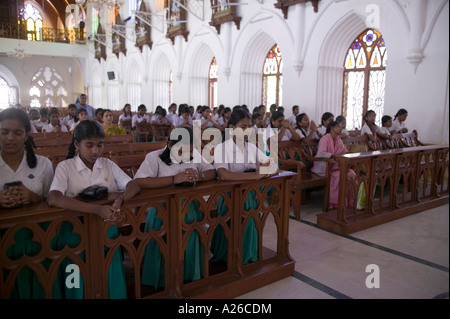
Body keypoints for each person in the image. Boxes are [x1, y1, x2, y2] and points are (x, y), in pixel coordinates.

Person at [47, 120, 141, 299]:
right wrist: (96, 210)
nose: (96, 151)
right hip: (74, 234)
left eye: (100, 145)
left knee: (108, 272)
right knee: (74, 276)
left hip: (106, 229)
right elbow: (54, 197)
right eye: (89, 145)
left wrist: (119, 201)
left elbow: (133, 185)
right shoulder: (66, 167)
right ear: (76, 144)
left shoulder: (106, 164)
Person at [134, 126, 216, 289]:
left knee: (191, 238)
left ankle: (190, 275)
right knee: (163, 244)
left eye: (190, 152)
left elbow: (211, 171)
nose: (187, 156)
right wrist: (173, 179)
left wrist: (199, 176)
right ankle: (161, 279)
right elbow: (140, 181)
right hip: (161, 212)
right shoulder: (154, 157)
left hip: (189, 208)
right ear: (170, 145)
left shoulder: (194, 155)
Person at [211, 109, 278, 265]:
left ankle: (248, 254)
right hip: (230, 197)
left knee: (250, 225)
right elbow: (224, 175)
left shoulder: (252, 148)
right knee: (232, 230)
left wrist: (265, 169)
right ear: (232, 128)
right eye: (243, 126)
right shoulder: (223, 147)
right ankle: (231, 257)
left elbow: (273, 166)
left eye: (250, 126)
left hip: (251, 197)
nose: (247, 130)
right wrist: (256, 175)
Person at [0, 108, 54, 298]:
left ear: (26, 135)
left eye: (17, 132)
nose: (10, 138)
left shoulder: (43, 164)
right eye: (4, 132)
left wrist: (33, 197)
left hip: (37, 237)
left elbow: (53, 200)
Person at [311, 121, 356, 209]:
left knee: (351, 173)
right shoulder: (325, 138)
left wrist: (349, 154)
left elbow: (344, 151)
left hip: (336, 165)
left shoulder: (338, 139)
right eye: (338, 127)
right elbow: (321, 153)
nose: (340, 128)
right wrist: (332, 156)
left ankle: (348, 201)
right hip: (325, 166)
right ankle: (335, 203)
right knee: (339, 175)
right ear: (332, 128)